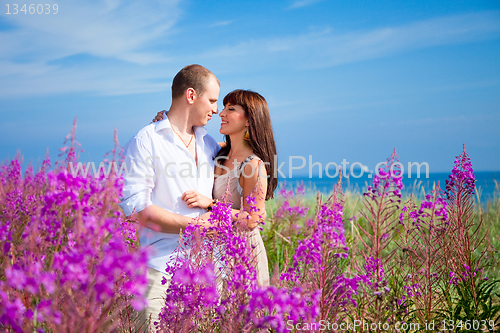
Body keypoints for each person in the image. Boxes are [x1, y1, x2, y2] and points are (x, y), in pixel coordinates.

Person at [119, 64, 221, 330]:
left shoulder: (209, 145)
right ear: (191, 95)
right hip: (158, 271)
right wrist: (194, 227)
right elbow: (136, 209)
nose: (216, 109)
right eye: (211, 100)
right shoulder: (146, 141)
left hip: (206, 276)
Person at [153, 89, 278, 287]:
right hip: (215, 251)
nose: (221, 113)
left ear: (249, 120)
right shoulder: (218, 152)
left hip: (243, 254)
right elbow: (185, 143)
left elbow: (253, 219)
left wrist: (211, 204)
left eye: (231, 109)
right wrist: (166, 123)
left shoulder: (253, 165)